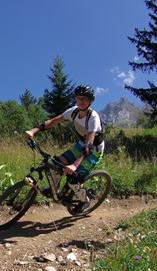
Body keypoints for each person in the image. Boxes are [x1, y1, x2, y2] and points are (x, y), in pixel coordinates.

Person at [24, 84, 105, 212]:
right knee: (57, 164)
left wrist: (75, 165)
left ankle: (85, 201)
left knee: (73, 180)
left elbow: (89, 144)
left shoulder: (93, 117)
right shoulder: (73, 112)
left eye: (85, 99)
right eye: (78, 98)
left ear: (90, 101)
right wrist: (34, 130)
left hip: (93, 150)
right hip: (81, 145)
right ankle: (54, 190)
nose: (81, 101)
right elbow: (53, 121)